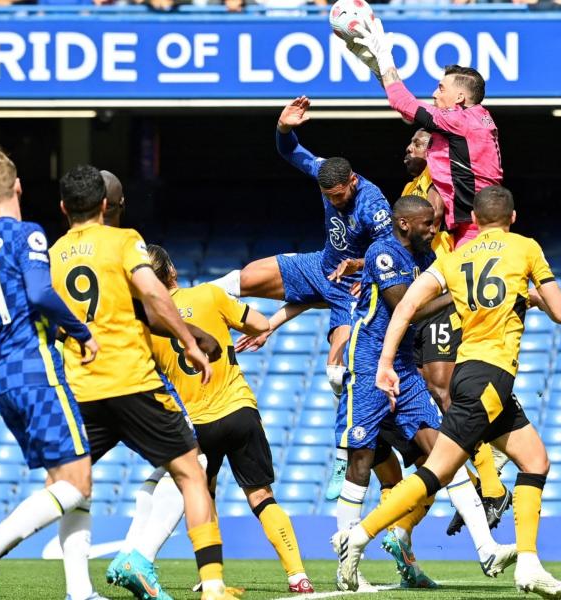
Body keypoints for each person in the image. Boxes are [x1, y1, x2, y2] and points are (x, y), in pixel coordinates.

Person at [334, 186, 561, 599]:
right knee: (437, 471)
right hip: (491, 376)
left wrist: (388, 362)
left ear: (475, 221)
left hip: (472, 375)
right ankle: (360, 535)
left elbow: (406, 308)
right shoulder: (526, 247)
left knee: (535, 459)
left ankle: (530, 564)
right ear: (512, 217)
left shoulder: (452, 258)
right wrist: (532, 295)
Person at [49, 165, 239, 600]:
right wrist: (192, 339)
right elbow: (154, 305)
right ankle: (183, 573)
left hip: (80, 380)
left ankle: (70, 580)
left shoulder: (57, 251)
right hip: (132, 379)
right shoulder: (125, 245)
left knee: (71, 481)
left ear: (65, 207)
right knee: (193, 468)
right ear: (112, 205)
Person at [0, 149, 104, 600]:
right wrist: (81, 332)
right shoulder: (27, 235)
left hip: (4, 380)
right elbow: (39, 291)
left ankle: (80, 592)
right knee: (78, 482)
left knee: (67, 482)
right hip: (39, 368)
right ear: (17, 186)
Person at [330, 195, 514, 588]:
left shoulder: (425, 256)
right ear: (403, 223)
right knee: (361, 460)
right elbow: (406, 308)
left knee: (443, 453)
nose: (435, 229)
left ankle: (487, 549)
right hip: (368, 364)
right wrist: (460, 297)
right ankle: (348, 563)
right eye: (428, 223)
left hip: (403, 367)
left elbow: (444, 284)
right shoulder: (384, 253)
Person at [141, 243, 316, 593]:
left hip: (197, 423)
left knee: (201, 496)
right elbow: (260, 323)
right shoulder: (209, 294)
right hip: (238, 409)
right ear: (172, 271)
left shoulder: (149, 324)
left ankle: (213, 579)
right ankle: (298, 576)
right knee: (261, 495)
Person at [212, 97, 392, 396]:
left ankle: (359, 428)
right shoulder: (326, 172)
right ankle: (183, 303)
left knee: (337, 369)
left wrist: (363, 267)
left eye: (339, 195)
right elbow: (293, 152)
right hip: (322, 268)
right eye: (328, 196)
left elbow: (392, 253)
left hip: (355, 288)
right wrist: (283, 130)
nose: (334, 201)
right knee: (245, 277)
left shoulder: (373, 206)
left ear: (353, 181)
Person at [402, 129, 511, 536]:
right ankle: (487, 474)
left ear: (434, 151)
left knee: (446, 387)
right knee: (438, 390)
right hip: (432, 289)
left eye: (416, 145)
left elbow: (433, 226)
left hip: (448, 289)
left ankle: (491, 482)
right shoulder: (415, 185)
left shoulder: (436, 186)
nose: (408, 150)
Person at [355, 20, 502, 248]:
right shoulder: (470, 119)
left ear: (460, 97)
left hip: (475, 232)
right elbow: (408, 112)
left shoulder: (459, 121)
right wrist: (379, 70)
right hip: (476, 226)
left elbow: (401, 101)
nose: (434, 93)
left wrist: (385, 59)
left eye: (441, 88)